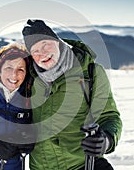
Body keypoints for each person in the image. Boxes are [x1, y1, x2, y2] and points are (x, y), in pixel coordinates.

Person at [22, 19, 122, 170]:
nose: (42, 53)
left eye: (45, 45)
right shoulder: (28, 78)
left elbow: (109, 116)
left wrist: (106, 140)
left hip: (83, 164)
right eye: (35, 51)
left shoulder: (91, 72)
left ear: (59, 42)